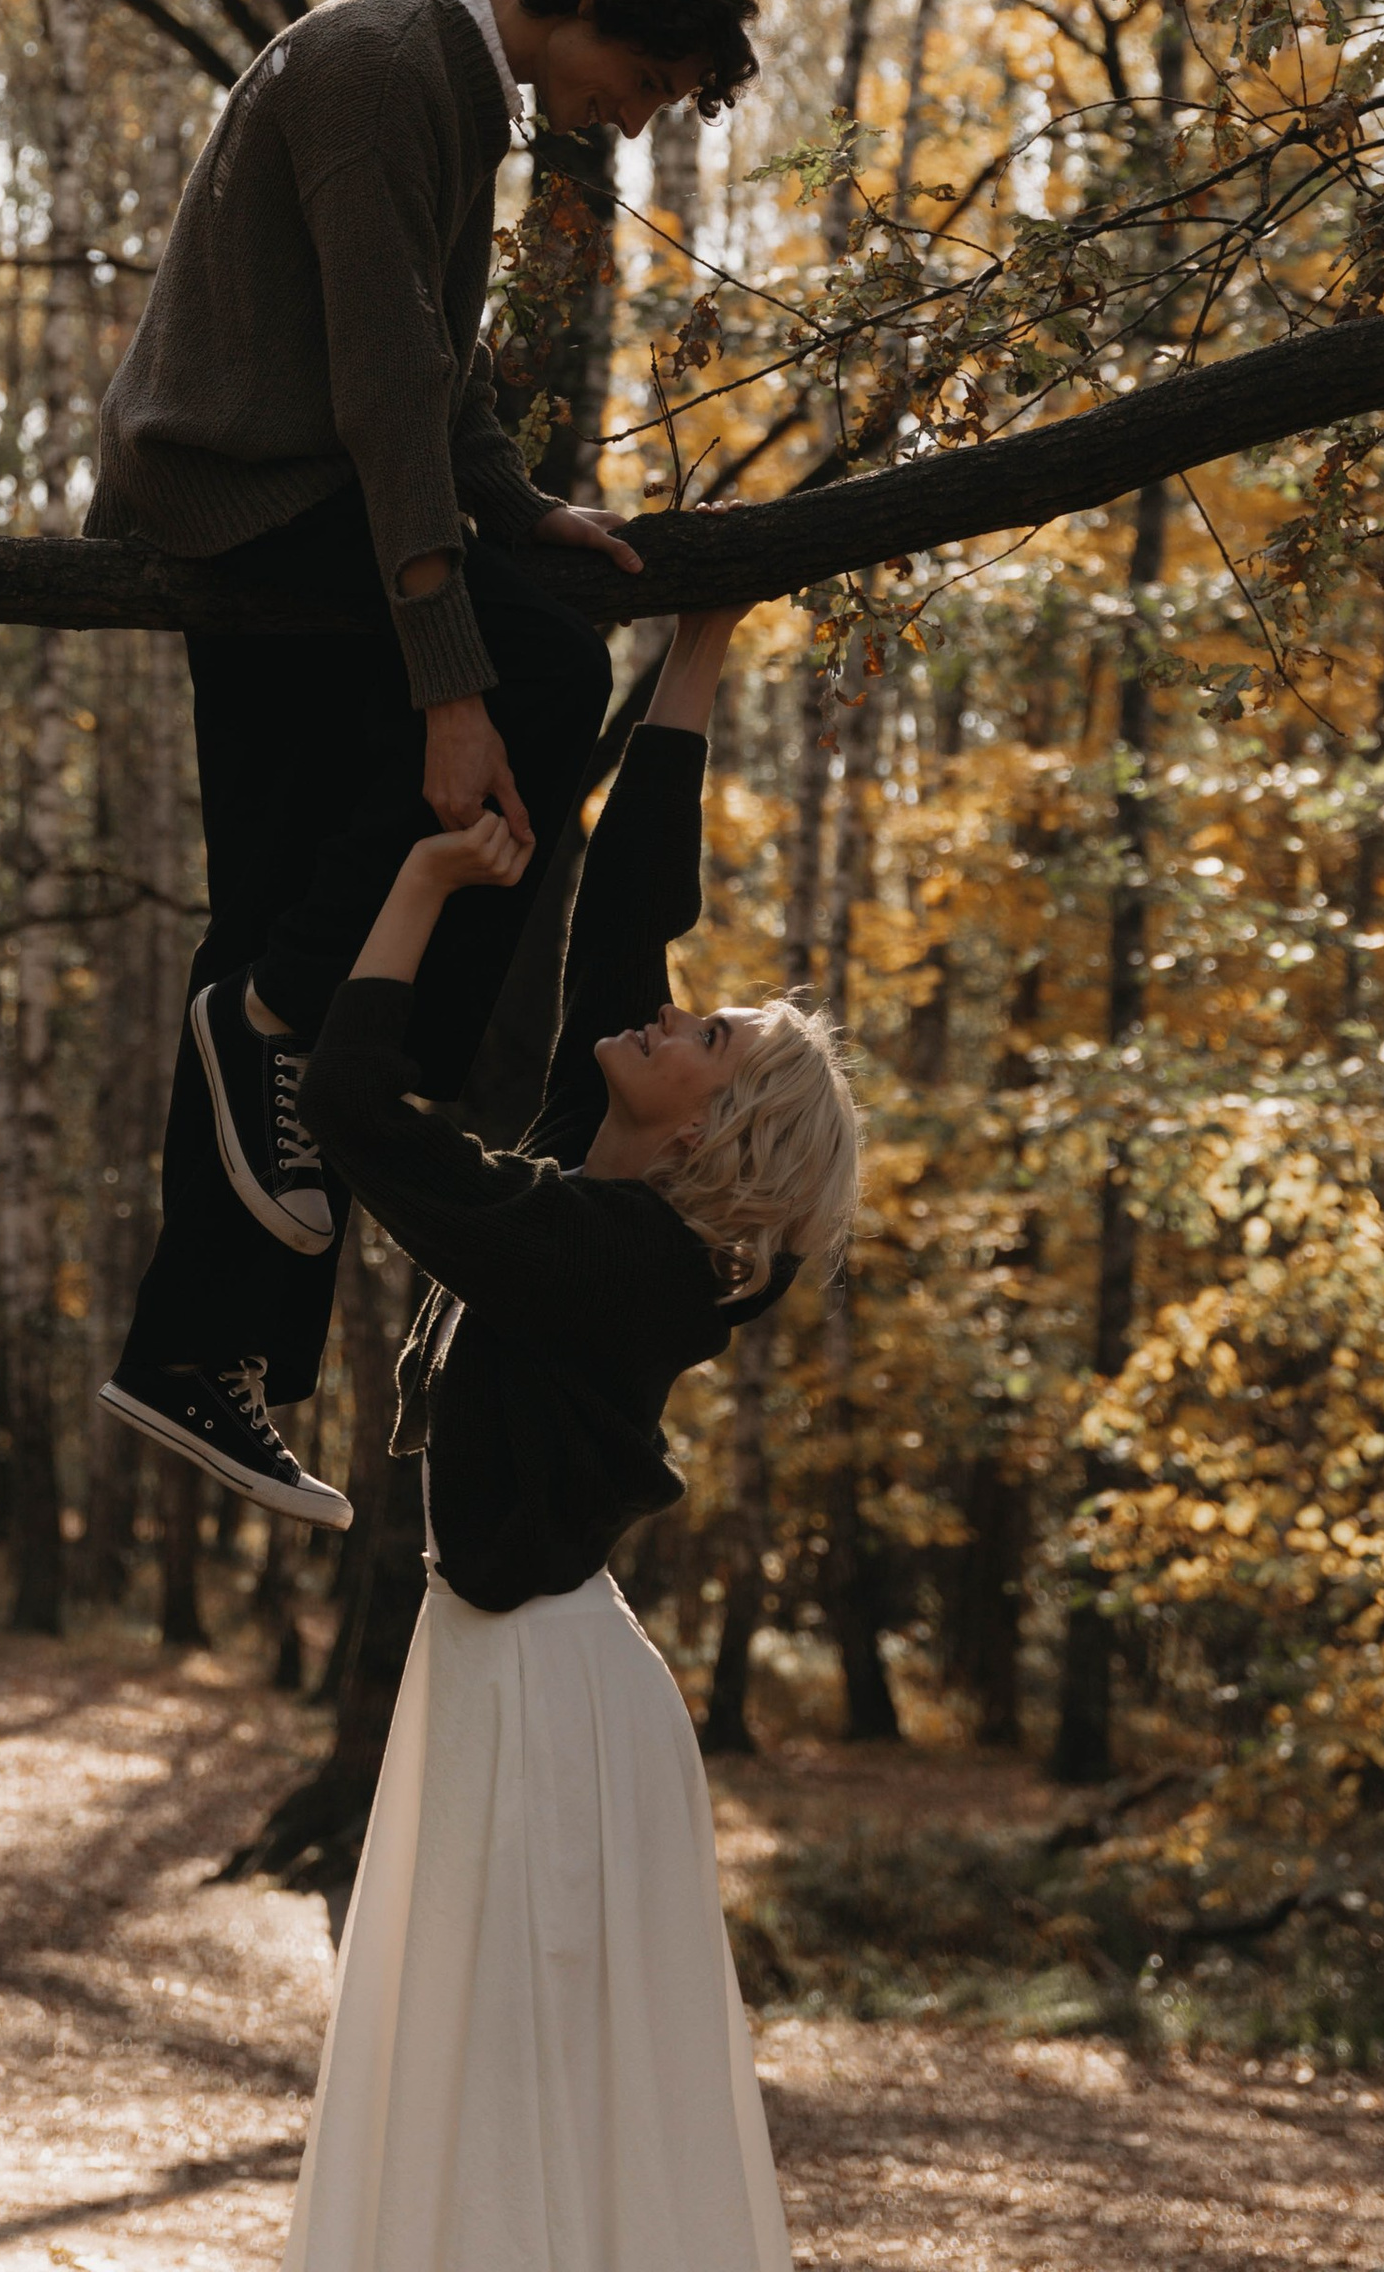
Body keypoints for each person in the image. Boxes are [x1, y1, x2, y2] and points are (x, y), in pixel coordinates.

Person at [86, 0, 760, 1524]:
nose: (634, 119)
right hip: (243, 488)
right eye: (645, 81)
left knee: (279, 920)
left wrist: (517, 507)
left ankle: (198, 1355)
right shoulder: (391, 62)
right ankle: (302, 1030)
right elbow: (382, 388)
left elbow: (428, 363)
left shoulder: (453, 74)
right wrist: (455, 684)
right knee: (547, 669)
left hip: (300, 489)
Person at [284, 604, 859, 2272]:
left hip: (546, 1695)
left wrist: (423, 883)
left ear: (709, 1134)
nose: (674, 1019)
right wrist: (701, 642)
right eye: (693, 1013)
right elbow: (627, 910)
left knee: (519, 2075)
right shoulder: (586, 1166)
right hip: (505, 1667)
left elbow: (351, 1108)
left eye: (708, 1040)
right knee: (479, 2069)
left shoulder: (606, 1256)